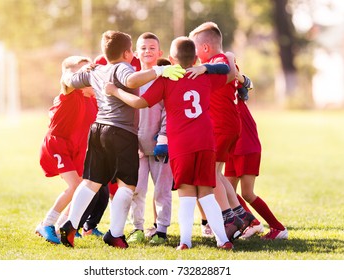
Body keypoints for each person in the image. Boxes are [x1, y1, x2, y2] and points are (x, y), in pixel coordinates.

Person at [105, 36, 236, 250]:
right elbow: (229, 72)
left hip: (181, 145)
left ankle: (185, 241)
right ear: (195, 58)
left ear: (171, 59)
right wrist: (211, 65)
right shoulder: (204, 77)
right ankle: (223, 240)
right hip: (205, 141)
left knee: (186, 193)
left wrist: (115, 91)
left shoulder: (166, 80)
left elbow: (139, 102)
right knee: (206, 193)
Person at [59, 30, 186, 248]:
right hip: (121, 133)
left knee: (91, 181)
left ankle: (70, 224)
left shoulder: (96, 70)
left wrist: (72, 78)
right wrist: (161, 69)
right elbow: (132, 79)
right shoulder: (122, 68)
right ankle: (115, 234)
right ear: (128, 53)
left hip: (98, 129)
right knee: (127, 185)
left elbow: (67, 81)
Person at [189, 22, 255, 242]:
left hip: (221, 126)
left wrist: (206, 66)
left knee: (210, 175)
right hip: (227, 125)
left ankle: (229, 219)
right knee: (217, 172)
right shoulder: (219, 60)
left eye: (195, 48)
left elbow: (226, 68)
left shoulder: (219, 61)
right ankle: (239, 214)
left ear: (206, 48)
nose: (193, 54)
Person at [36, 55, 97, 244]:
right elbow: (67, 79)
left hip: (77, 148)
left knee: (85, 188)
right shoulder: (71, 92)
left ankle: (64, 224)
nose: (90, 78)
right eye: (85, 74)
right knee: (76, 186)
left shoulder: (93, 100)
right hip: (58, 144)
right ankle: (47, 223)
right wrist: (77, 74)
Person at [225, 73, 288, 240]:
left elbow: (246, 81)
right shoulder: (219, 92)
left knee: (247, 193)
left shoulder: (232, 86)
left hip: (245, 146)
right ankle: (252, 223)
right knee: (226, 189)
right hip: (231, 147)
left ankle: (278, 227)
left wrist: (240, 78)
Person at [126, 32, 174, 246]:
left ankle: (161, 230)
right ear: (136, 53)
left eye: (152, 48)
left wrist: (163, 137)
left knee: (162, 190)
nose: (147, 51)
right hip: (135, 146)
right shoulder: (132, 80)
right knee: (136, 188)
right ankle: (136, 227)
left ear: (160, 53)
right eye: (143, 48)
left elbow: (169, 112)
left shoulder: (165, 80)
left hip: (159, 146)